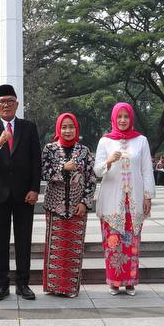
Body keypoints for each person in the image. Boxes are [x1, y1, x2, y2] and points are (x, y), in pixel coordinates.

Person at [0, 84, 43, 300]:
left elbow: (36, 161)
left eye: (10, 101)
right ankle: (1, 284)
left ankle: (23, 283)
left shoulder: (29, 127)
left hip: (25, 194)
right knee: (0, 242)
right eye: (2, 102)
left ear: (17, 104)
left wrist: (35, 188)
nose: (6, 105)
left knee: (23, 240)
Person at [95, 102, 154, 295]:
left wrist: (148, 197)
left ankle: (130, 282)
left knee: (132, 242)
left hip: (134, 199)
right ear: (113, 118)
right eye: (119, 116)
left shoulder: (141, 140)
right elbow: (96, 170)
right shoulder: (105, 141)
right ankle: (114, 282)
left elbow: (147, 170)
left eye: (126, 116)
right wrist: (109, 161)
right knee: (113, 243)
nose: (122, 120)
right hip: (112, 200)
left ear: (131, 118)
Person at [41, 112, 95, 297]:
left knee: (73, 249)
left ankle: (70, 288)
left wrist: (85, 203)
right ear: (58, 129)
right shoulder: (50, 149)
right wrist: (62, 168)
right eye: (64, 127)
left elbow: (91, 179)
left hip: (77, 208)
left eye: (71, 127)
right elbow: (44, 172)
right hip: (54, 207)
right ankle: (54, 287)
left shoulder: (84, 151)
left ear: (76, 129)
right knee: (55, 248)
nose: (68, 130)